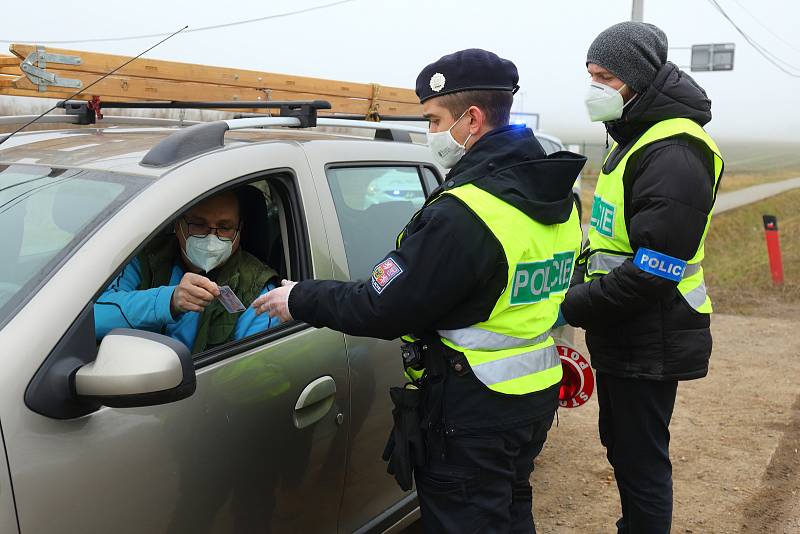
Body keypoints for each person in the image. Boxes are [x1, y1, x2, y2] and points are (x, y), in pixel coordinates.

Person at [253, 49, 586, 533]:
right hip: (531, 395)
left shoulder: (468, 211)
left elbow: (382, 306)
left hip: (474, 407)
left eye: (433, 120)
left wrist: (299, 297)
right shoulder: (551, 195)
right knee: (510, 512)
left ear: (471, 119)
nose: (428, 133)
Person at [560, 22, 724, 533]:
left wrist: (572, 304)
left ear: (638, 78)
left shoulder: (672, 149)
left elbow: (655, 268)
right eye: (591, 75)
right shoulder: (635, 138)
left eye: (606, 76)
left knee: (640, 460)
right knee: (626, 449)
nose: (595, 87)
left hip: (651, 330)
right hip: (628, 326)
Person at [95, 189, 281, 353]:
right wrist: (168, 301)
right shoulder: (145, 259)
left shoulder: (258, 290)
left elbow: (249, 371)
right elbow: (93, 319)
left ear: (239, 229)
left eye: (224, 227)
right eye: (199, 224)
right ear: (178, 224)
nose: (211, 237)